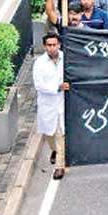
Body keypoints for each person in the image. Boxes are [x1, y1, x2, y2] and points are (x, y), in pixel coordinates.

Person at [33, 32, 69, 180]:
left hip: (62, 103)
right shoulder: (39, 63)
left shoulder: (66, 59)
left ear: (59, 45)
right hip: (47, 104)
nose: (52, 48)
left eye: (54, 45)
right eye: (49, 45)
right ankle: (54, 150)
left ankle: (59, 166)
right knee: (49, 134)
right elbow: (39, 85)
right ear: (45, 46)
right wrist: (57, 87)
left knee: (60, 134)